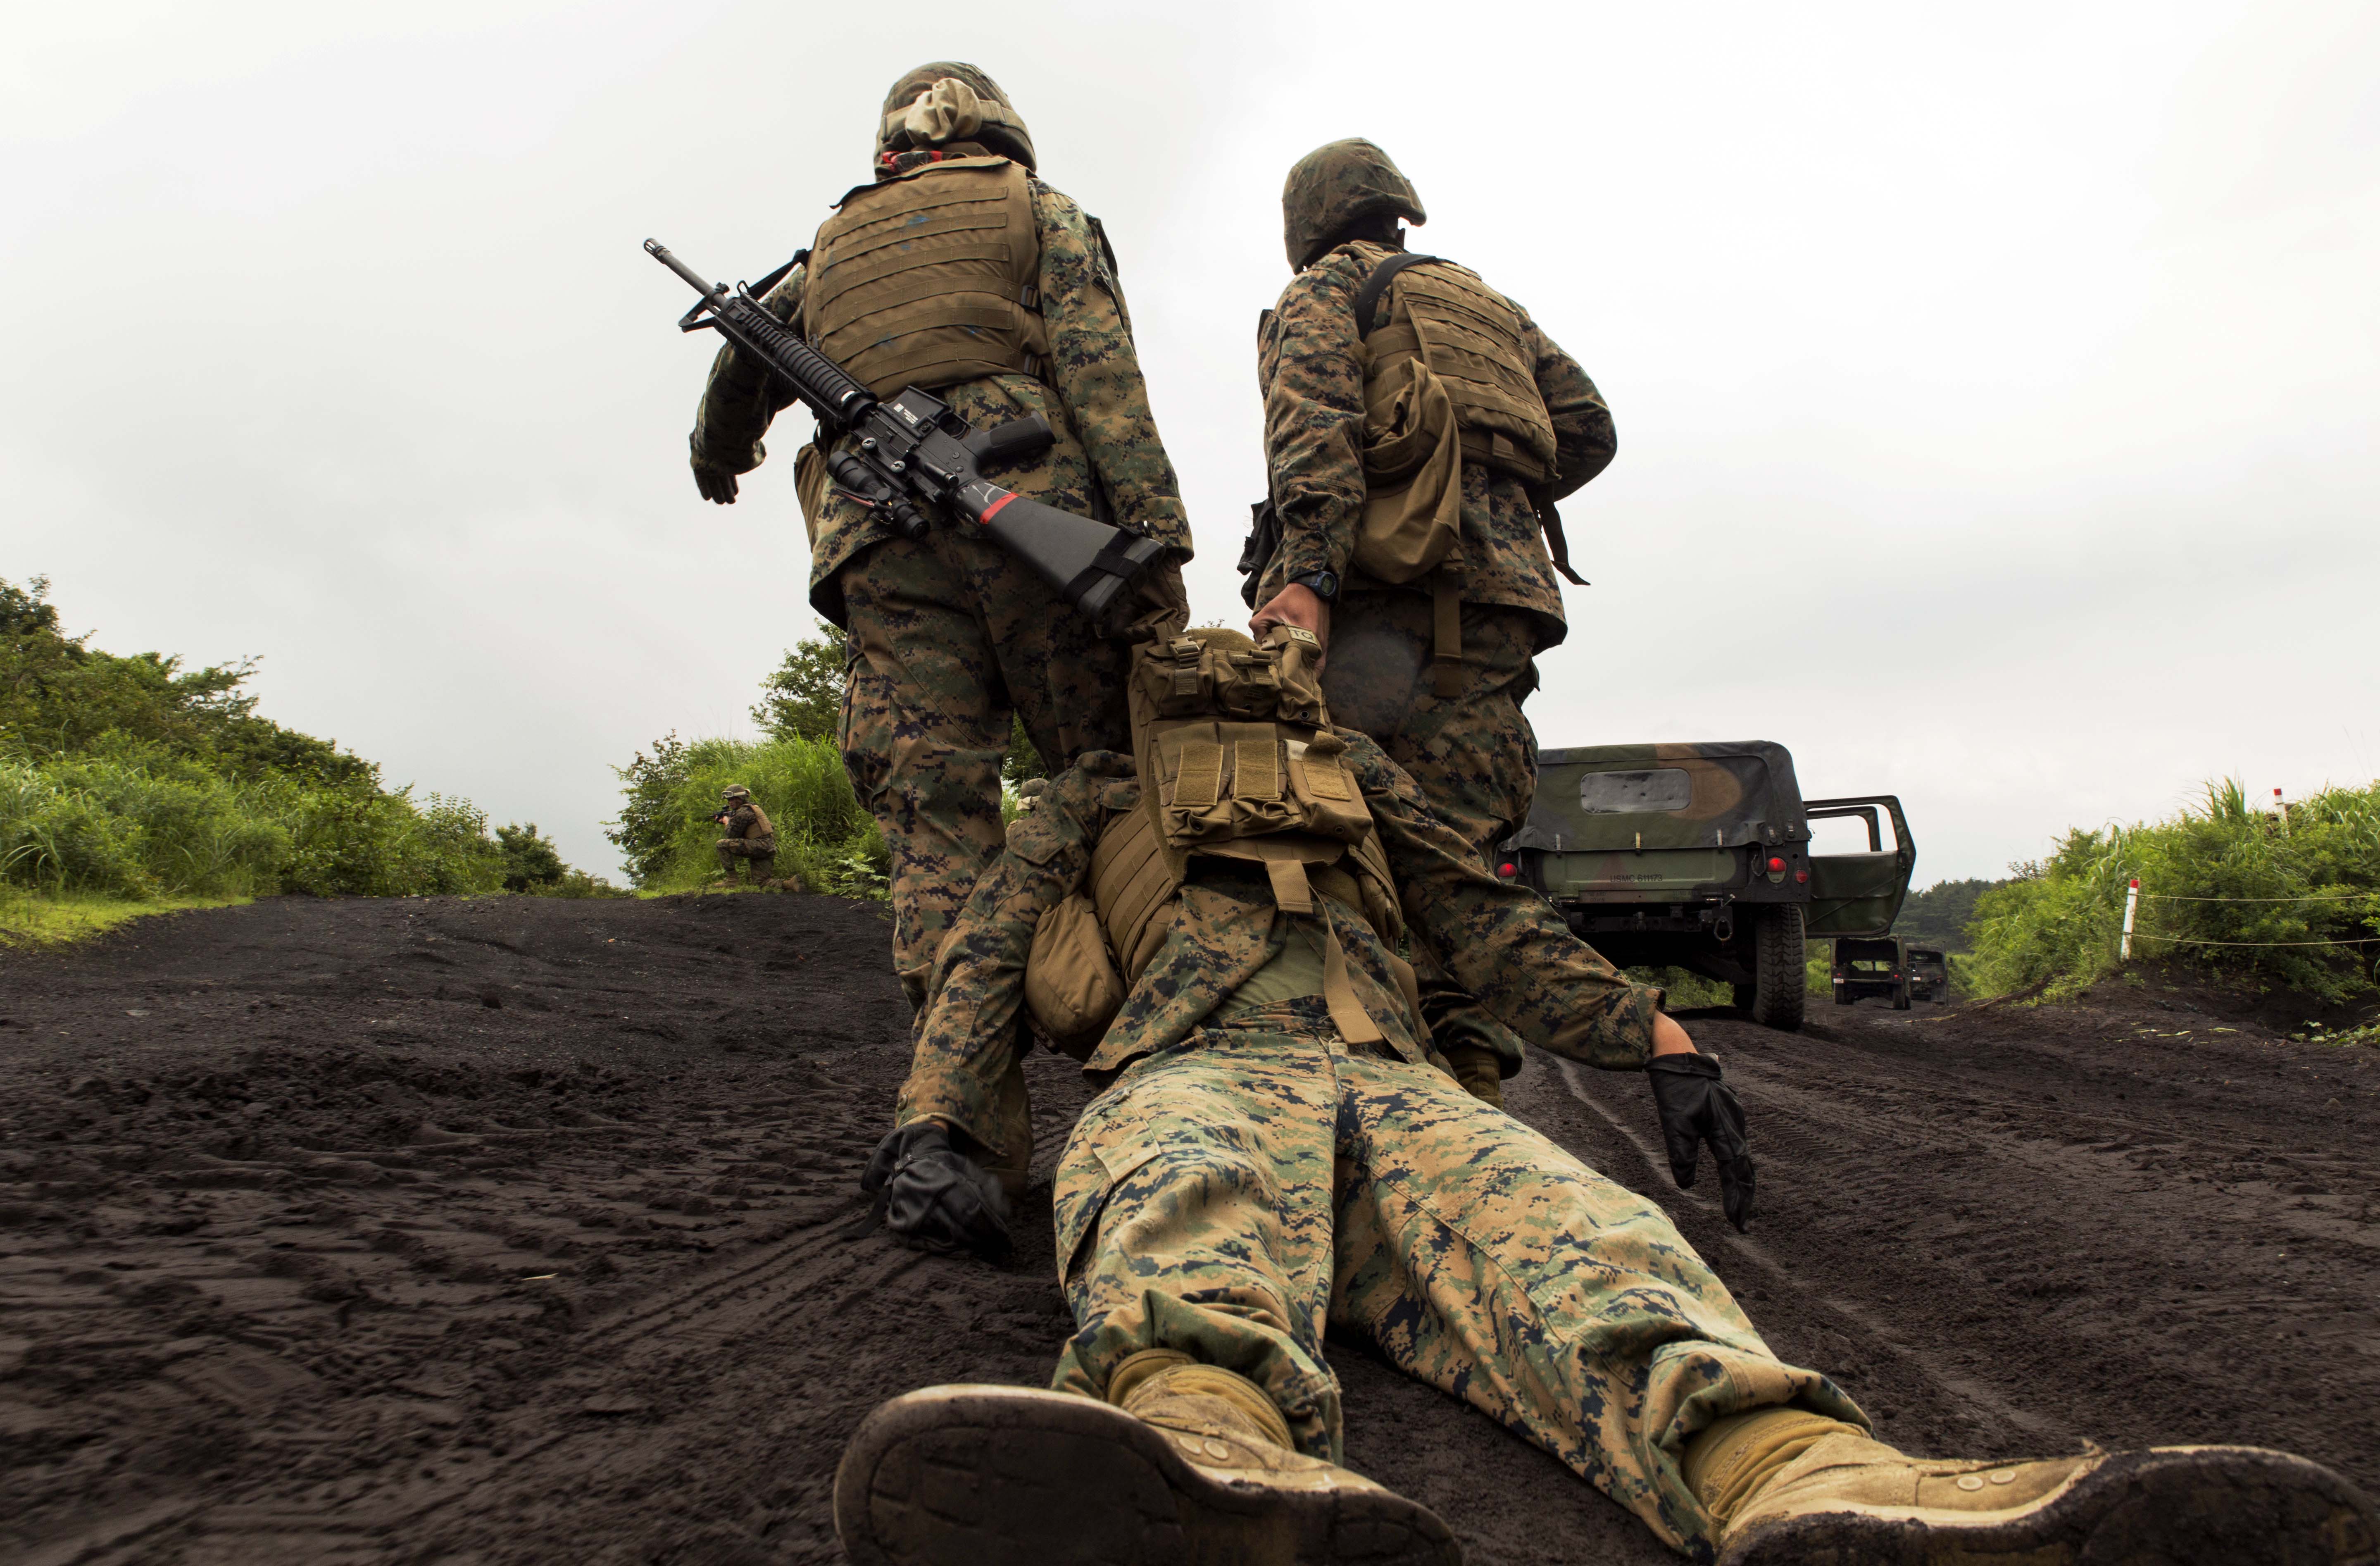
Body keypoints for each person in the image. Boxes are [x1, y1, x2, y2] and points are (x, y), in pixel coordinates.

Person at [833, 627, 2373, 1566]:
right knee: (1181, 1213)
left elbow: (1498, 930)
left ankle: (1812, 1482)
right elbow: (981, 960)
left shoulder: (1364, 788)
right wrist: (940, 1120)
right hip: (1189, 1067)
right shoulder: (1096, 797)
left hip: (1401, 1080)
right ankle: (1199, 1460)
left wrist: (1659, 1040)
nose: (1238, 673)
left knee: (1587, 1235)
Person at [686, 61, 1191, 1011]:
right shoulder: (1038, 209)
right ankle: (1161, 1051)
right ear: (1000, 134)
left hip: (882, 535)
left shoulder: (826, 247)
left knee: (932, 817)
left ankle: (961, 1115)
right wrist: (1156, 548)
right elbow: (1104, 384)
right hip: (1039, 514)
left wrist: (718, 453)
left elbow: (739, 370)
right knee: (1117, 781)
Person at [1245, 138, 1617, 1108]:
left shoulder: (1325, 291)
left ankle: (1382, 1107)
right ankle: (1476, 1097)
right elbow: (1585, 425)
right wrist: (1490, 493)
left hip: (1382, 619)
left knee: (1358, 856)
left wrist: (1311, 578)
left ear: (1307, 220)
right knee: (1462, 861)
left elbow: (1312, 433)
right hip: (1499, 613)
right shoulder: (1485, 305)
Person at [713, 784, 775, 885]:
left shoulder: (743, 813)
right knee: (761, 883)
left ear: (741, 798)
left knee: (721, 845)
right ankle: (791, 884)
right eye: (729, 800)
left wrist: (726, 822)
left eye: (733, 799)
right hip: (768, 847)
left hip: (759, 846)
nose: (730, 802)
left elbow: (731, 835)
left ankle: (732, 881)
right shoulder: (753, 808)